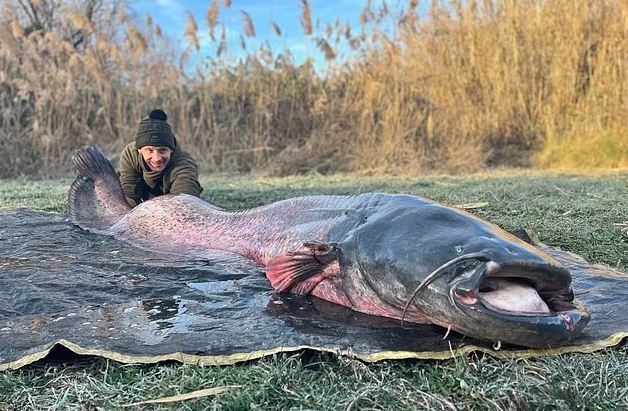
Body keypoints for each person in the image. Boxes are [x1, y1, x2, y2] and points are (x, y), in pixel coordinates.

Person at [119, 109, 203, 207]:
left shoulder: (183, 166)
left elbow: (185, 204)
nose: (157, 158)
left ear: (171, 150)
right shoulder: (130, 154)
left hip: (172, 207)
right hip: (143, 202)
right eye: (150, 150)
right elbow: (129, 195)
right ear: (139, 150)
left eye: (162, 150)